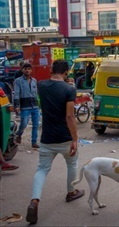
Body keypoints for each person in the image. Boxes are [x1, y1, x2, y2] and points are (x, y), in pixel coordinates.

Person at [26, 60, 84, 224]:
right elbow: (70, 116)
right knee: (72, 165)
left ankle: (34, 200)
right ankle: (71, 192)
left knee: (42, 169)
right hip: (65, 138)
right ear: (66, 72)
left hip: (47, 138)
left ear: (52, 70)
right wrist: (75, 139)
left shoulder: (42, 86)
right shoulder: (69, 89)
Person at [13, 63, 40, 148]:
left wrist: (40, 104)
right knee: (24, 123)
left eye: (29, 69)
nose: (27, 70)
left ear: (31, 70)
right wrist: (16, 105)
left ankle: (34, 142)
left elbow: (36, 94)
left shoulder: (34, 81)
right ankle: (19, 134)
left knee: (36, 125)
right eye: (25, 69)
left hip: (35, 106)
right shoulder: (18, 81)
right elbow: (16, 94)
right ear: (22, 70)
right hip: (25, 106)